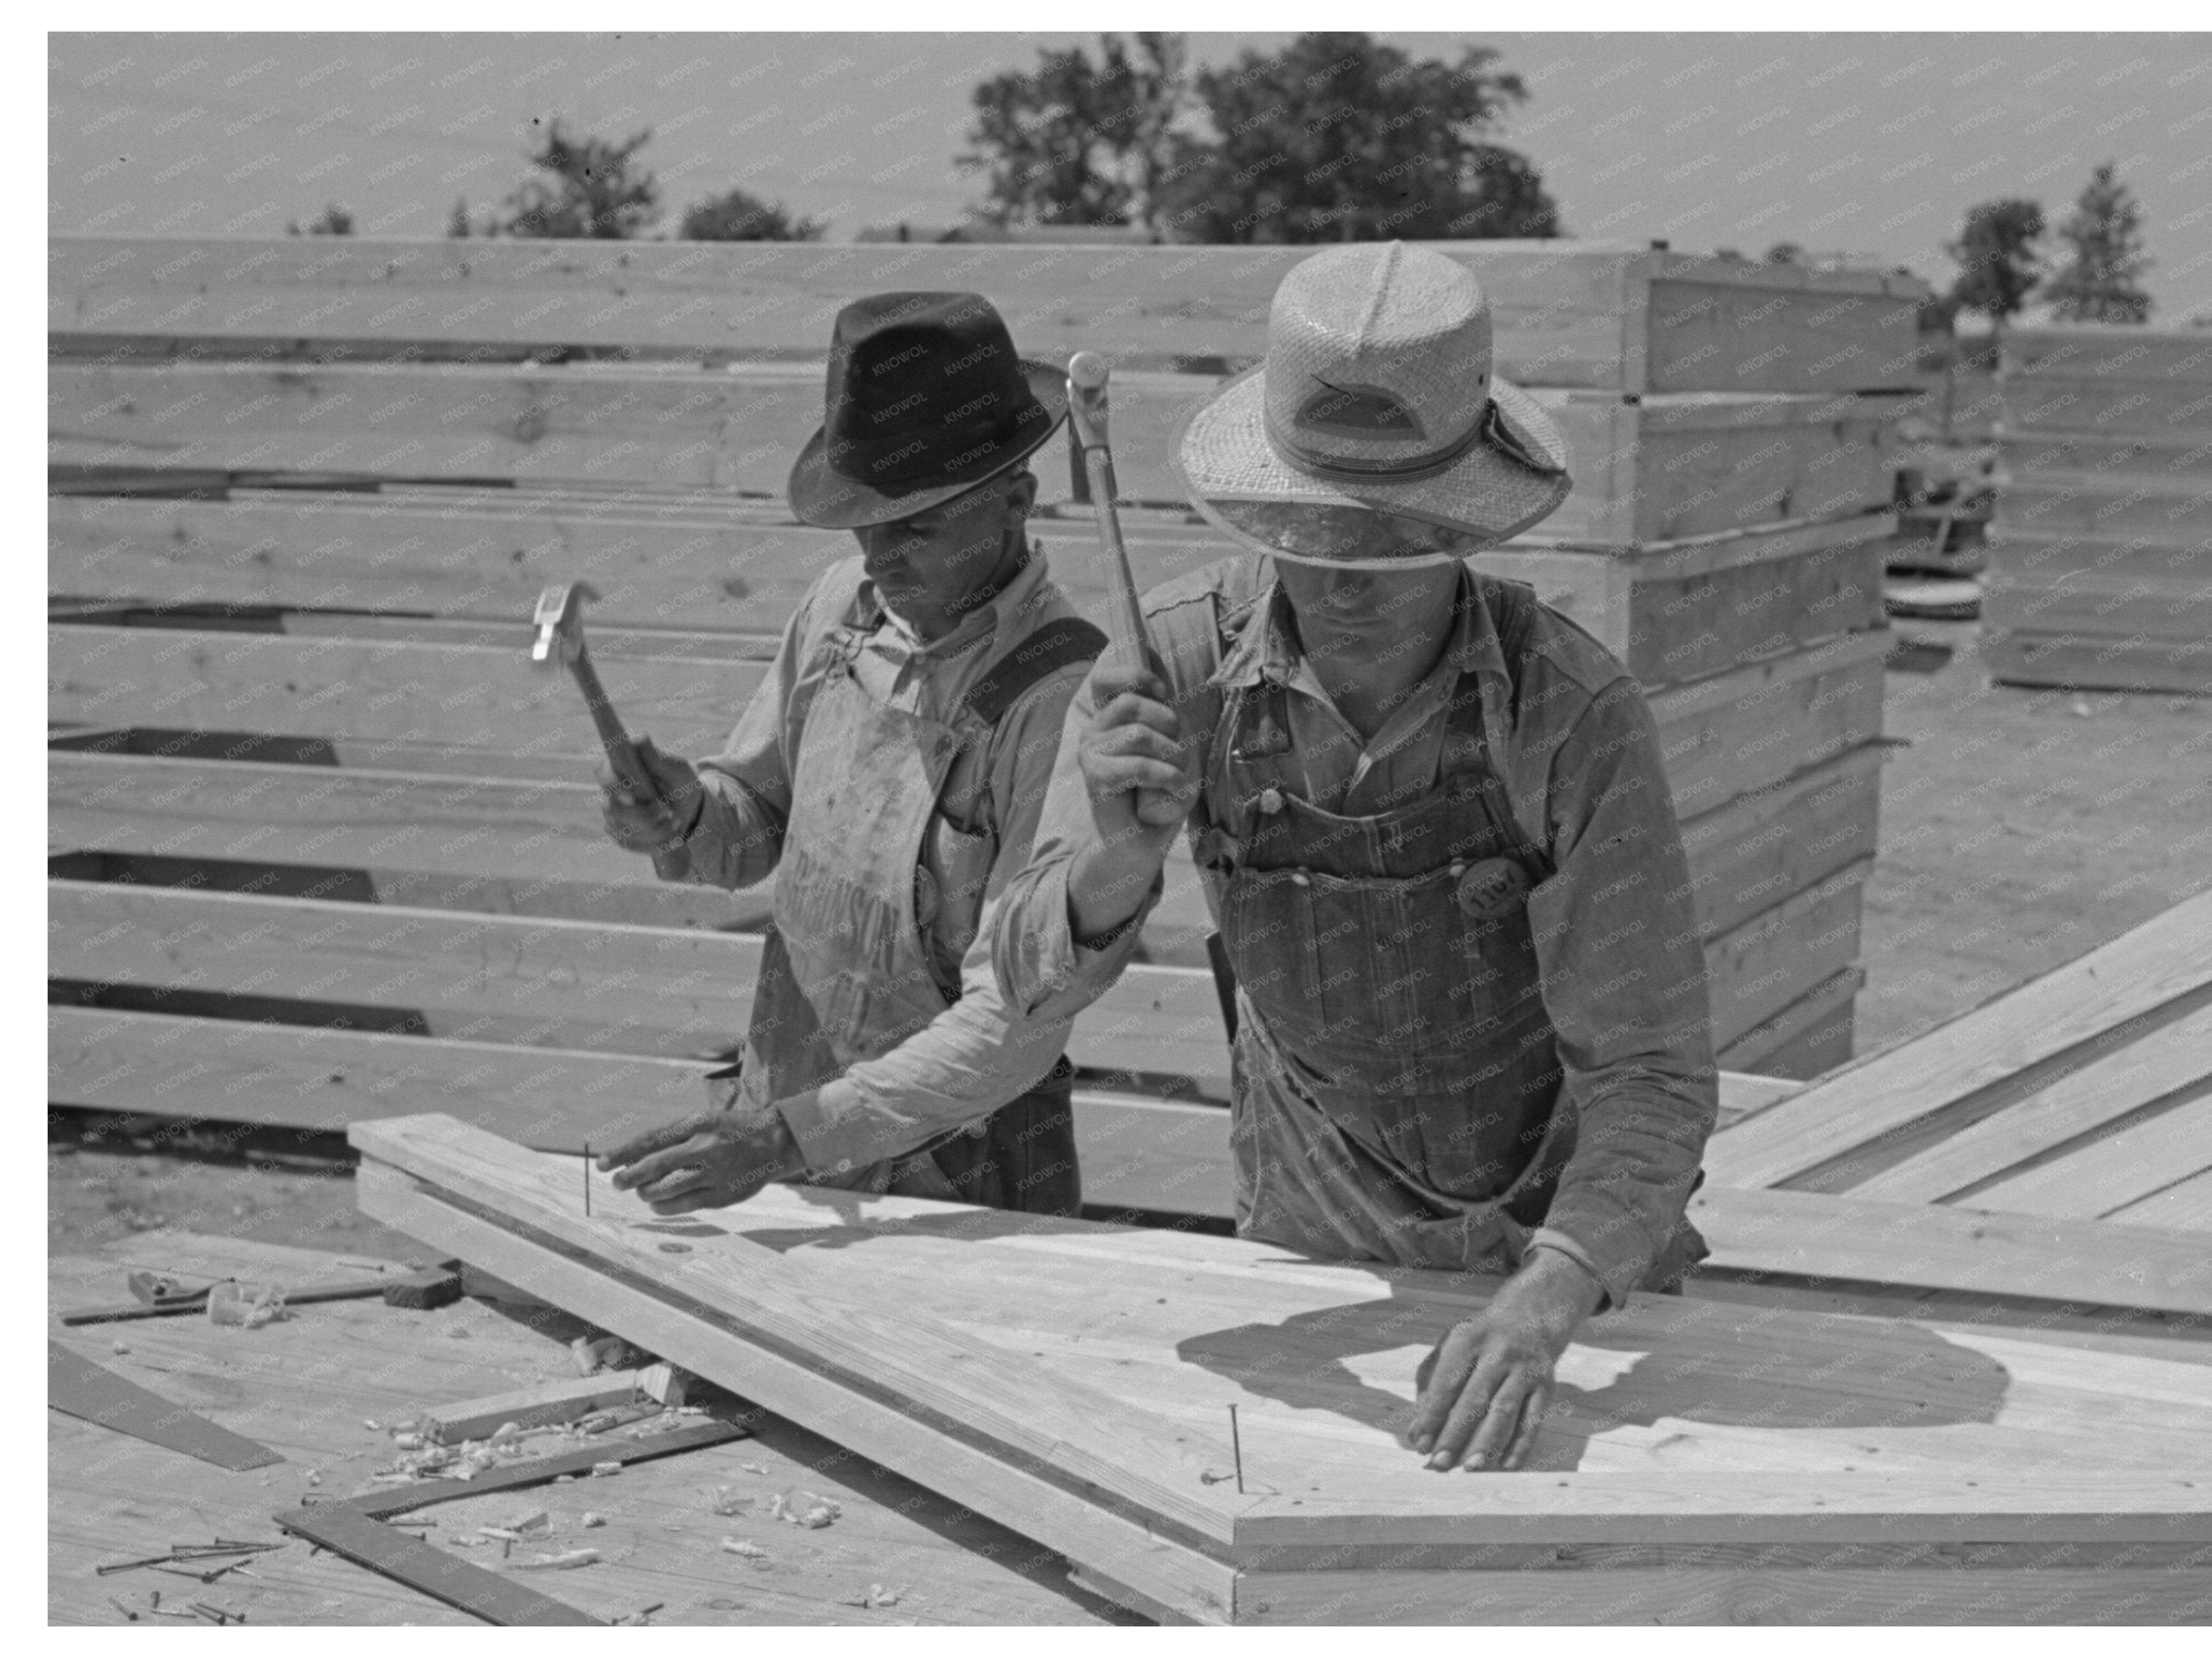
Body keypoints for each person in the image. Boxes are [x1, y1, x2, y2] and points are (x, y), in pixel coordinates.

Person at [986, 243, 1720, 1474]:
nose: (1343, 578)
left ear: (1469, 516)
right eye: (1309, 529)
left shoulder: (1569, 713)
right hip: (1309, 1235)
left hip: (1560, 1249)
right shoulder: (1169, 675)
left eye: (1394, 540)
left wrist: (1551, 1300)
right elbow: (1014, 983)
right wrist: (1118, 865)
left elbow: (1653, 1074)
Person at [593, 292, 1105, 1219]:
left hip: (967, 1180)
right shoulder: (841, 611)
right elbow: (754, 832)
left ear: (1017, 498)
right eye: (865, 522)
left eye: (917, 527)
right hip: (782, 1130)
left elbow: (1014, 1022)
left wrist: (791, 1135)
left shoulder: (1064, 697)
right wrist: (688, 814)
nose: (881, 558)